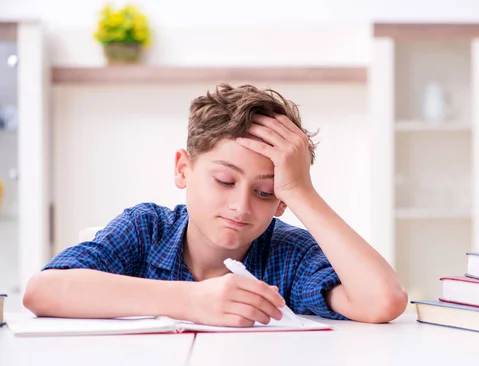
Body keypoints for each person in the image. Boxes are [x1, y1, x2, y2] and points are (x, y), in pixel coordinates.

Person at [23, 83, 408, 326]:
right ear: (183, 169)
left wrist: (301, 191)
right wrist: (191, 300)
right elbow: (42, 291)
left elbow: (382, 301)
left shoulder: (287, 254)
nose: (241, 206)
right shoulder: (146, 229)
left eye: (266, 192)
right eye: (224, 181)